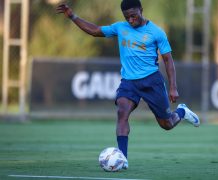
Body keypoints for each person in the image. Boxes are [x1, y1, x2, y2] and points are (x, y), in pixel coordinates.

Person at [56, 0, 200, 168]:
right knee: (122, 112)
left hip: (151, 81)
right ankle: (122, 159)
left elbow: (168, 60)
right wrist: (72, 16)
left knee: (166, 124)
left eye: (134, 16)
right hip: (129, 82)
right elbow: (95, 31)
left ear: (141, 10)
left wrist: (173, 87)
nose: (131, 20)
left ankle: (182, 111)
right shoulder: (120, 27)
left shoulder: (156, 32)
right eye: (127, 17)